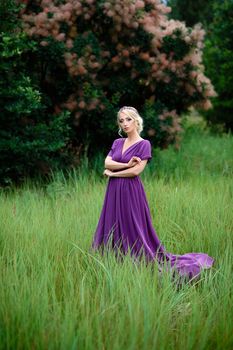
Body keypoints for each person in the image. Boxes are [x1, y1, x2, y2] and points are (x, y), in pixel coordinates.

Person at [91, 106, 214, 281]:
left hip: (130, 191)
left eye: (128, 119)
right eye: (121, 120)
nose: (125, 124)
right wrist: (126, 165)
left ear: (136, 121)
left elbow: (136, 172)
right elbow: (107, 162)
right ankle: (114, 260)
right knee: (112, 222)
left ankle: (135, 259)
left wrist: (113, 173)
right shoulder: (117, 143)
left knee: (131, 224)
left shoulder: (144, 144)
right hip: (113, 190)